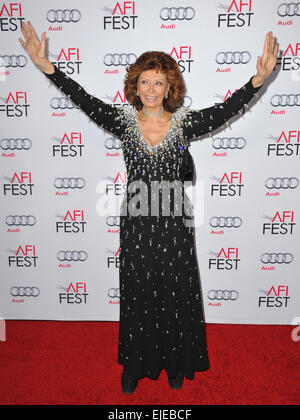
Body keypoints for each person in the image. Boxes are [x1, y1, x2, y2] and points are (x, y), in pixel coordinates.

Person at [19, 22, 279, 394]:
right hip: (137, 219)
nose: (152, 90)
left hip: (174, 218)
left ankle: (175, 362)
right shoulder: (124, 122)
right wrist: (48, 67)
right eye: (145, 82)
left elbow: (225, 110)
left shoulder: (184, 122)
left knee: (175, 290)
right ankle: (134, 366)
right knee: (138, 290)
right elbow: (85, 100)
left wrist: (257, 80)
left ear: (170, 87)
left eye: (159, 83)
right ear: (134, 86)